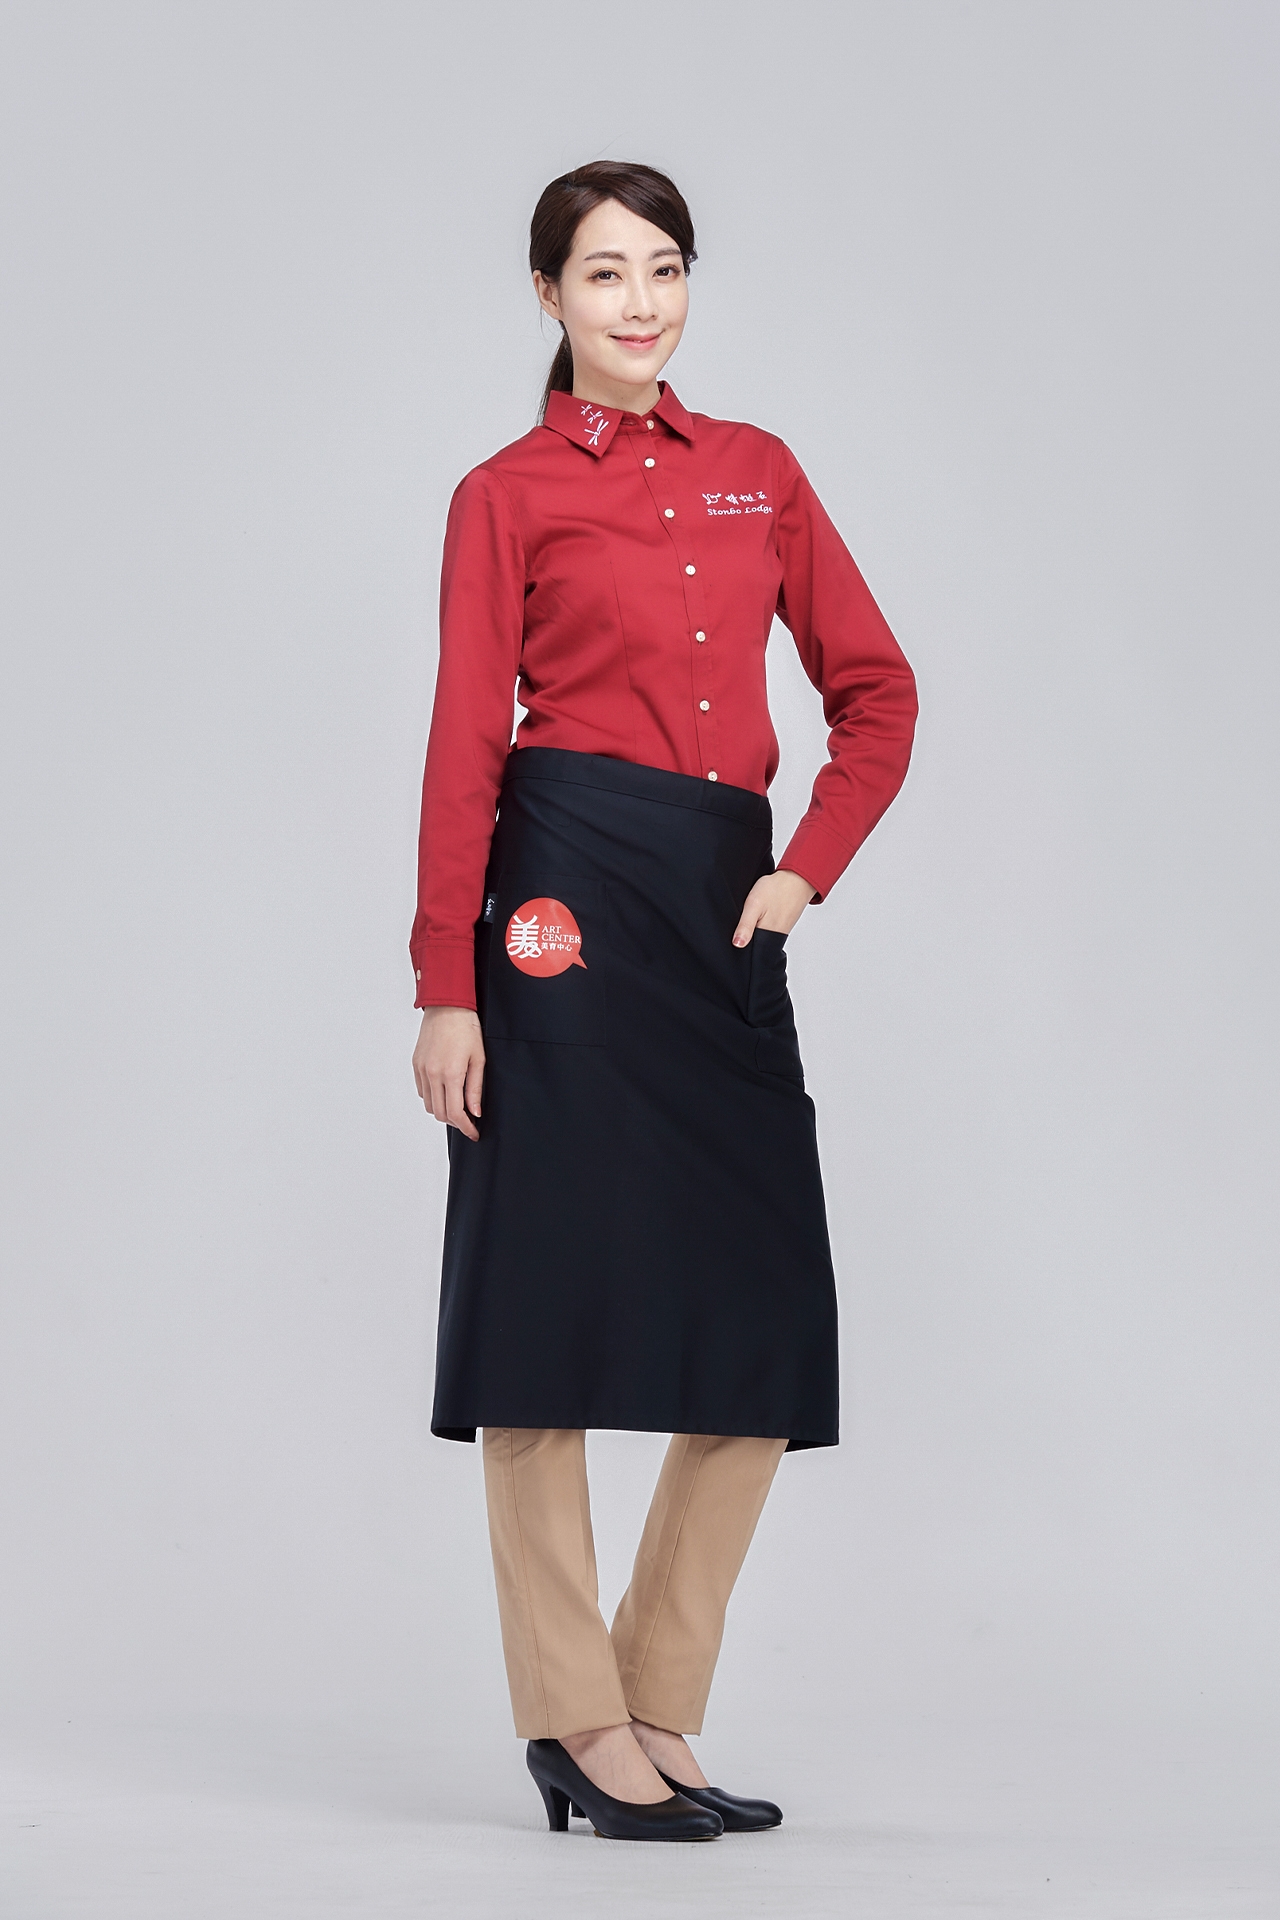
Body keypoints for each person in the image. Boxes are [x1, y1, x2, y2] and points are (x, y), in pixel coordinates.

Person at [410, 160, 917, 1842]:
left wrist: (803, 870)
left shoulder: (758, 469)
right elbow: (464, 746)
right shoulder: (503, 494)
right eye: (605, 272)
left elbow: (876, 691)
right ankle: (576, 1720)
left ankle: (653, 1697)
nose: (641, 302)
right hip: (559, 899)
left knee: (761, 1321)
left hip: (718, 902)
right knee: (539, 1311)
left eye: (666, 268)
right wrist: (444, 984)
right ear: (548, 296)